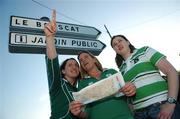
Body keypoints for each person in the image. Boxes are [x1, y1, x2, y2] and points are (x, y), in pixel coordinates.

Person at [110, 34, 180, 119]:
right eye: (114, 44)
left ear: (128, 42)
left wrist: (170, 103)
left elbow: (171, 71)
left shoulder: (144, 50)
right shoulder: (121, 70)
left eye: (120, 40)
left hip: (160, 106)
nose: (118, 44)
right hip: (139, 114)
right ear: (115, 50)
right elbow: (128, 98)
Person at [69, 51, 136, 119]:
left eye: (86, 57)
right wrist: (79, 112)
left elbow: (127, 94)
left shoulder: (112, 72)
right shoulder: (82, 83)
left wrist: (130, 88)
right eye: (81, 61)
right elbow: (86, 114)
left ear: (94, 59)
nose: (84, 60)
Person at [44, 9, 81, 119]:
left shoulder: (80, 90)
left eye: (76, 65)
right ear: (63, 71)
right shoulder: (57, 84)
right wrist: (50, 37)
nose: (74, 67)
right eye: (70, 65)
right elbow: (53, 65)